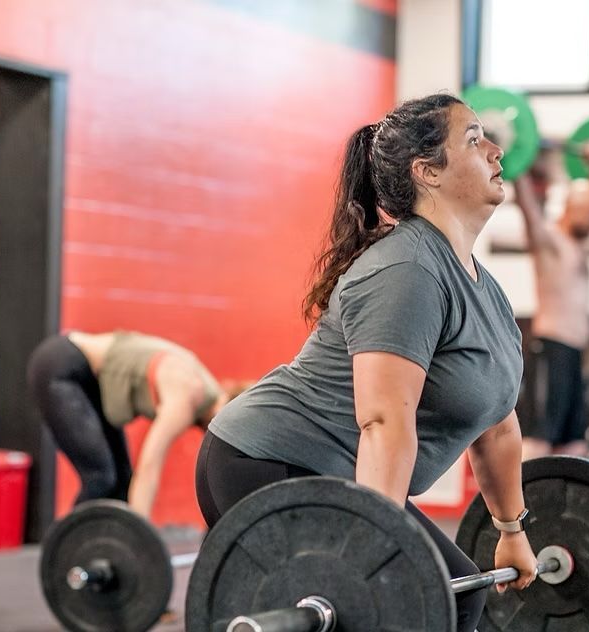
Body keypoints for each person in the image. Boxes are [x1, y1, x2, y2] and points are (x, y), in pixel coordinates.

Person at [196, 93, 537, 632]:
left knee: (453, 599)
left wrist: (511, 530)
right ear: (428, 171)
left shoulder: (483, 290)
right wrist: (376, 546)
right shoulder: (407, 270)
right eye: (474, 140)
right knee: (396, 603)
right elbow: (383, 421)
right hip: (268, 462)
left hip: (341, 473)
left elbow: (497, 428)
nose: (497, 151)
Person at [27, 330, 242, 518]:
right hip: (62, 367)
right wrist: (140, 540)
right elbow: (149, 468)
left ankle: (104, 554)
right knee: (101, 477)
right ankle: (66, 552)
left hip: (89, 380)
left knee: (122, 481)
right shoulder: (188, 397)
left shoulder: (206, 387)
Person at [513, 148, 589, 460]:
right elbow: (528, 208)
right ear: (568, 208)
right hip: (550, 352)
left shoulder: (580, 244)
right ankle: (521, 509)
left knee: (574, 447)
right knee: (537, 444)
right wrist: (518, 164)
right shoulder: (549, 243)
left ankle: (563, 509)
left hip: (574, 355)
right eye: (588, 212)